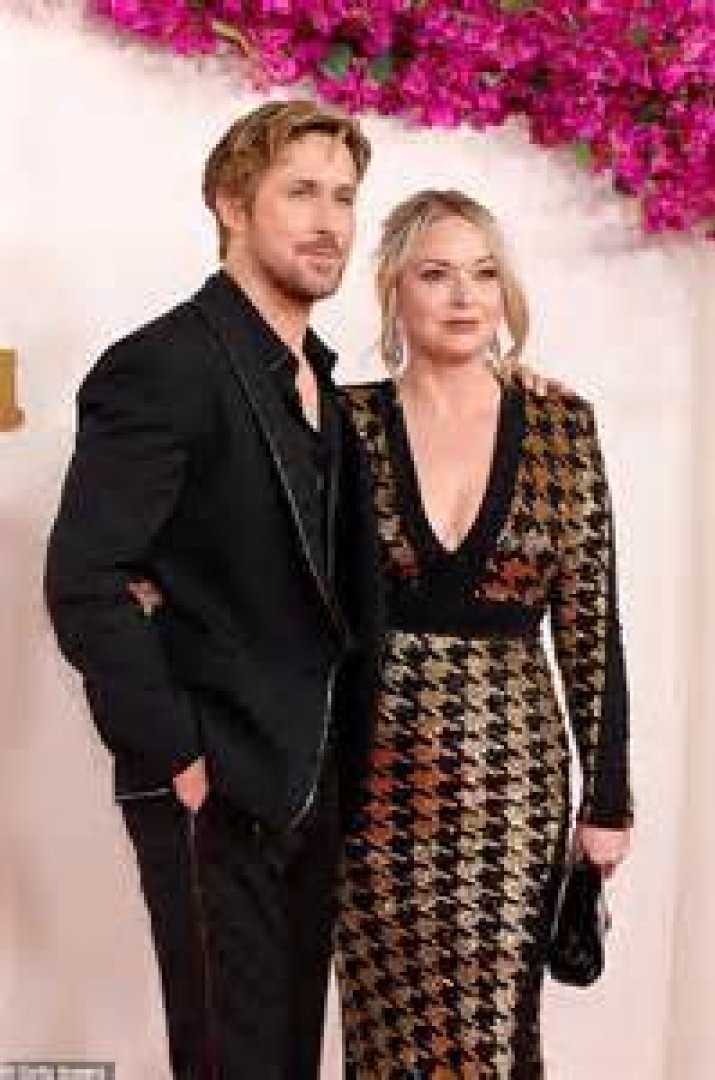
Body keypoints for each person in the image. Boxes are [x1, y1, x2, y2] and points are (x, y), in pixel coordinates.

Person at [43, 99, 381, 1080]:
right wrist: (179, 757)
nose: (329, 222)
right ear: (233, 205)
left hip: (311, 783)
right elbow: (87, 580)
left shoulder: (321, 384)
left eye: (345, 198)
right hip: (215, 782)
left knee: (287, 1061)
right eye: (302, 192)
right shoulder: (163, 364)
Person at [336, 189, 633, 1079]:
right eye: (437, 274)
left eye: (484, 273)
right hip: (373, 776)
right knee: (387, 1034)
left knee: (491, 1032)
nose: (465, 296)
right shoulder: (345, 425)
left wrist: (608, 801)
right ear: (394, 289)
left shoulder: (561, 428)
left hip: (511, 785)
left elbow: (591, 623)